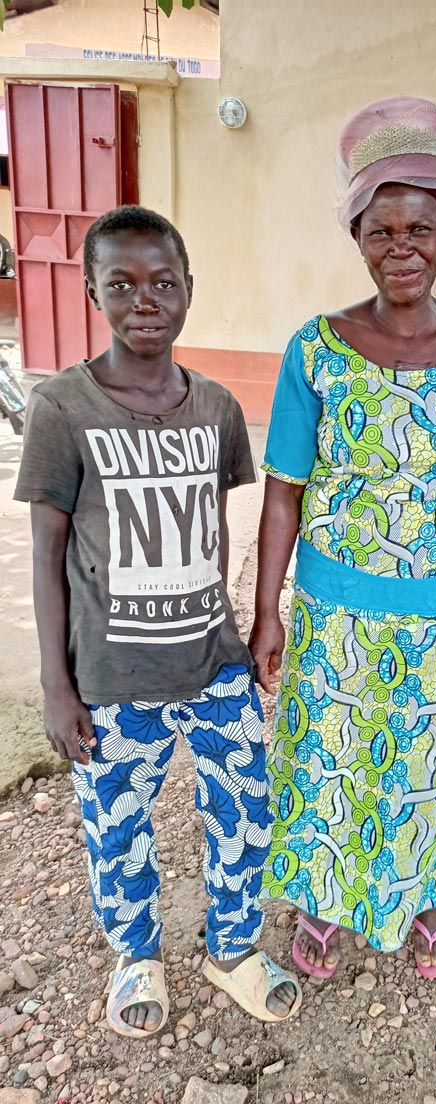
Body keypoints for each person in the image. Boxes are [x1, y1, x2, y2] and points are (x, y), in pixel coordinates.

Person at [252, 96, 436, 981]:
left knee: (435, 758)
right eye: (381, 229)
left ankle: (434, 898)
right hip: (334, 608)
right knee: (327, 759)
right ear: (357, 237)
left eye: (420, 227)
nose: (401, 247)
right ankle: (325, 905)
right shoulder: (317, 349)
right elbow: (284, 490)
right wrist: (266, 610)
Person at [14, 206, 302, 1038]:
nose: (146, 301)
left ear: (188, 289)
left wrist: (253, 624)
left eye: (163, 283)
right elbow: (47, 550)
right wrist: (56, 684)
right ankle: (136, 953)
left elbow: (218, 526)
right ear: (92, 289)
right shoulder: (62, 407)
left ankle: (234, 948)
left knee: (245, 813)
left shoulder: (213, 407)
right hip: (112, 681)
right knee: (118, 828)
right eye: (123, 284)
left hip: (213, 667)